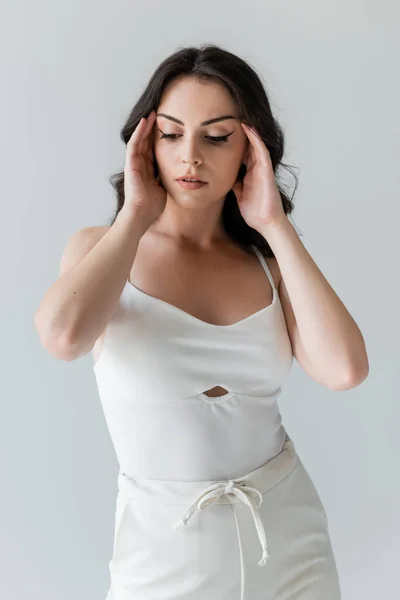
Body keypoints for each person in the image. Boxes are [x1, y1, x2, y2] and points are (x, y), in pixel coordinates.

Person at [35, 43, 369, 599]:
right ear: (146, 141)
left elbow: (345, 369)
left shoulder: (268, 264)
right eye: (171, 134)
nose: (191, 155)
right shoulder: (100, 250)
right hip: (163, 550)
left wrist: (275, 225)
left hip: (288, 540)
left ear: (250, 149)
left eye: (216, 137)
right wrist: (137, 215)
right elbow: (64, 339)